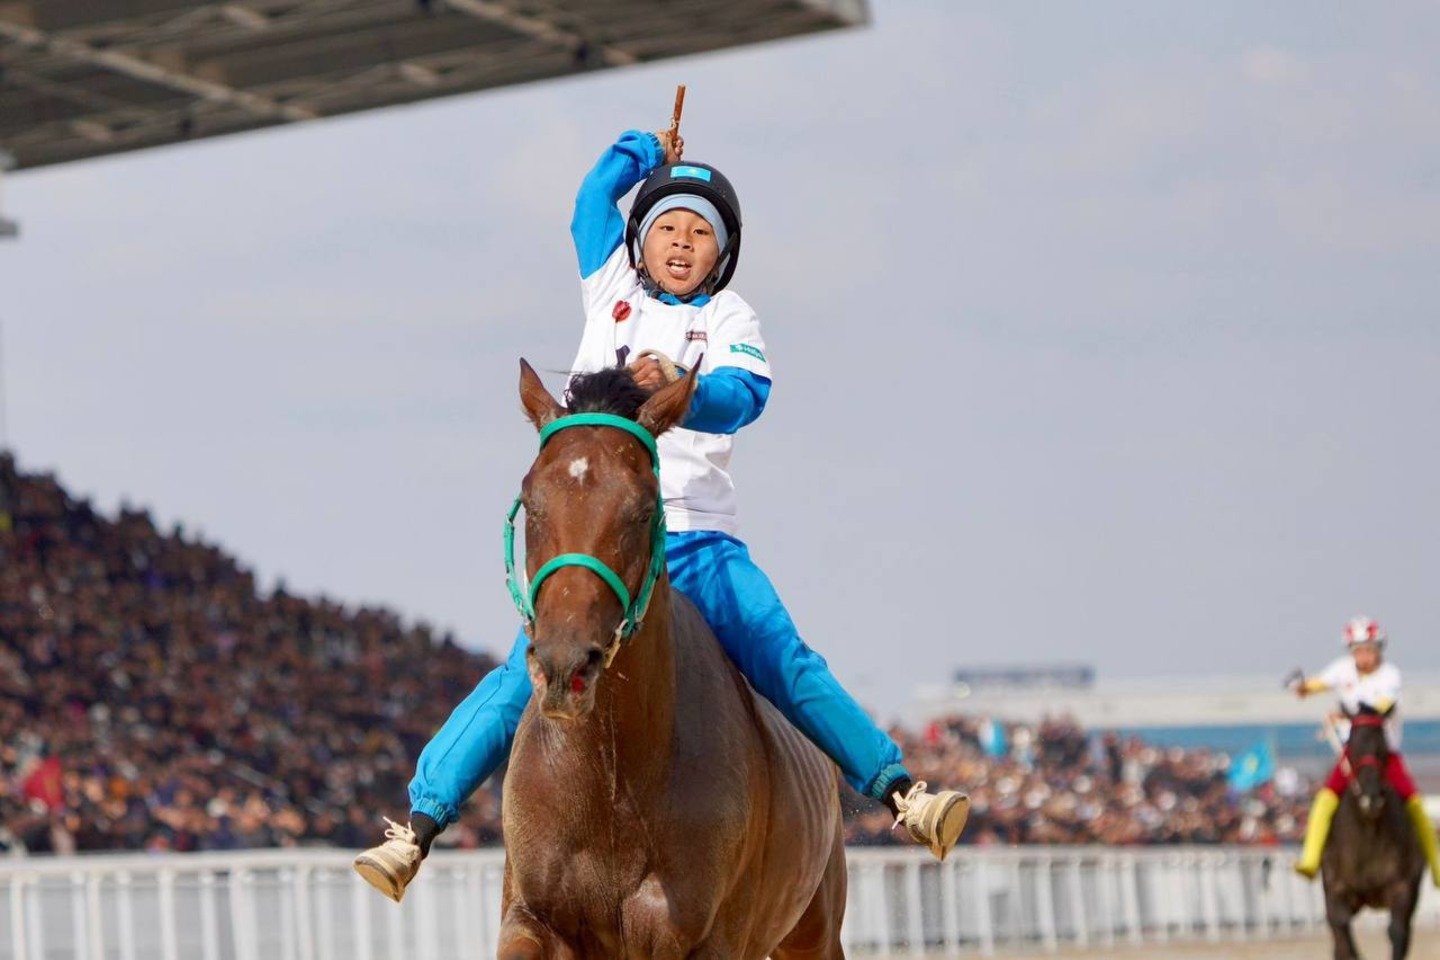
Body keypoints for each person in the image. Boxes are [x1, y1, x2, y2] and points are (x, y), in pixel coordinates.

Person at [352, 126, 970, 902]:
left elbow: (745, 396)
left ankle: (901, 793)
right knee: (524, 673)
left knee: (783, 659)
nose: (681, 243)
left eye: (699, 233)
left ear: (723, 253)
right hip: (602, 542)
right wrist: (643, 154)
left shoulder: (732, 320)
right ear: (641, 242)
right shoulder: (609, 282)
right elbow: (586, 206)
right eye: (668, 227)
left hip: (699, 542)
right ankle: (418, 826)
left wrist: (682, 378)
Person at [1291, 616, 1440, 885]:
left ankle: (1436, 865)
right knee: (1325, 798)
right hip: (1353, 754)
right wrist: (1303, 688)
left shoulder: (1390, 675)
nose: (1364, 656)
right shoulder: (1343, 670)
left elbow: (1382, 705)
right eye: (1358, 650)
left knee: (1414, 802)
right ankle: (1310, 859)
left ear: (1379, 649)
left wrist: (1347, 715)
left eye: (1369, 650)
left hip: (1384, 753)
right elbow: (1319, 683)